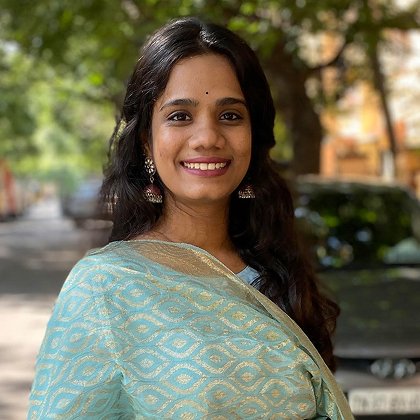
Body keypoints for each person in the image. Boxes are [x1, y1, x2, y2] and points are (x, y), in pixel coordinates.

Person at [28, 17, 353, 419]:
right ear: (146, 141)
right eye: (180, 116)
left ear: (254, 135)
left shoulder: (276, 271)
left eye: (230, 115)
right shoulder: (106, 287)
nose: (207, 137)